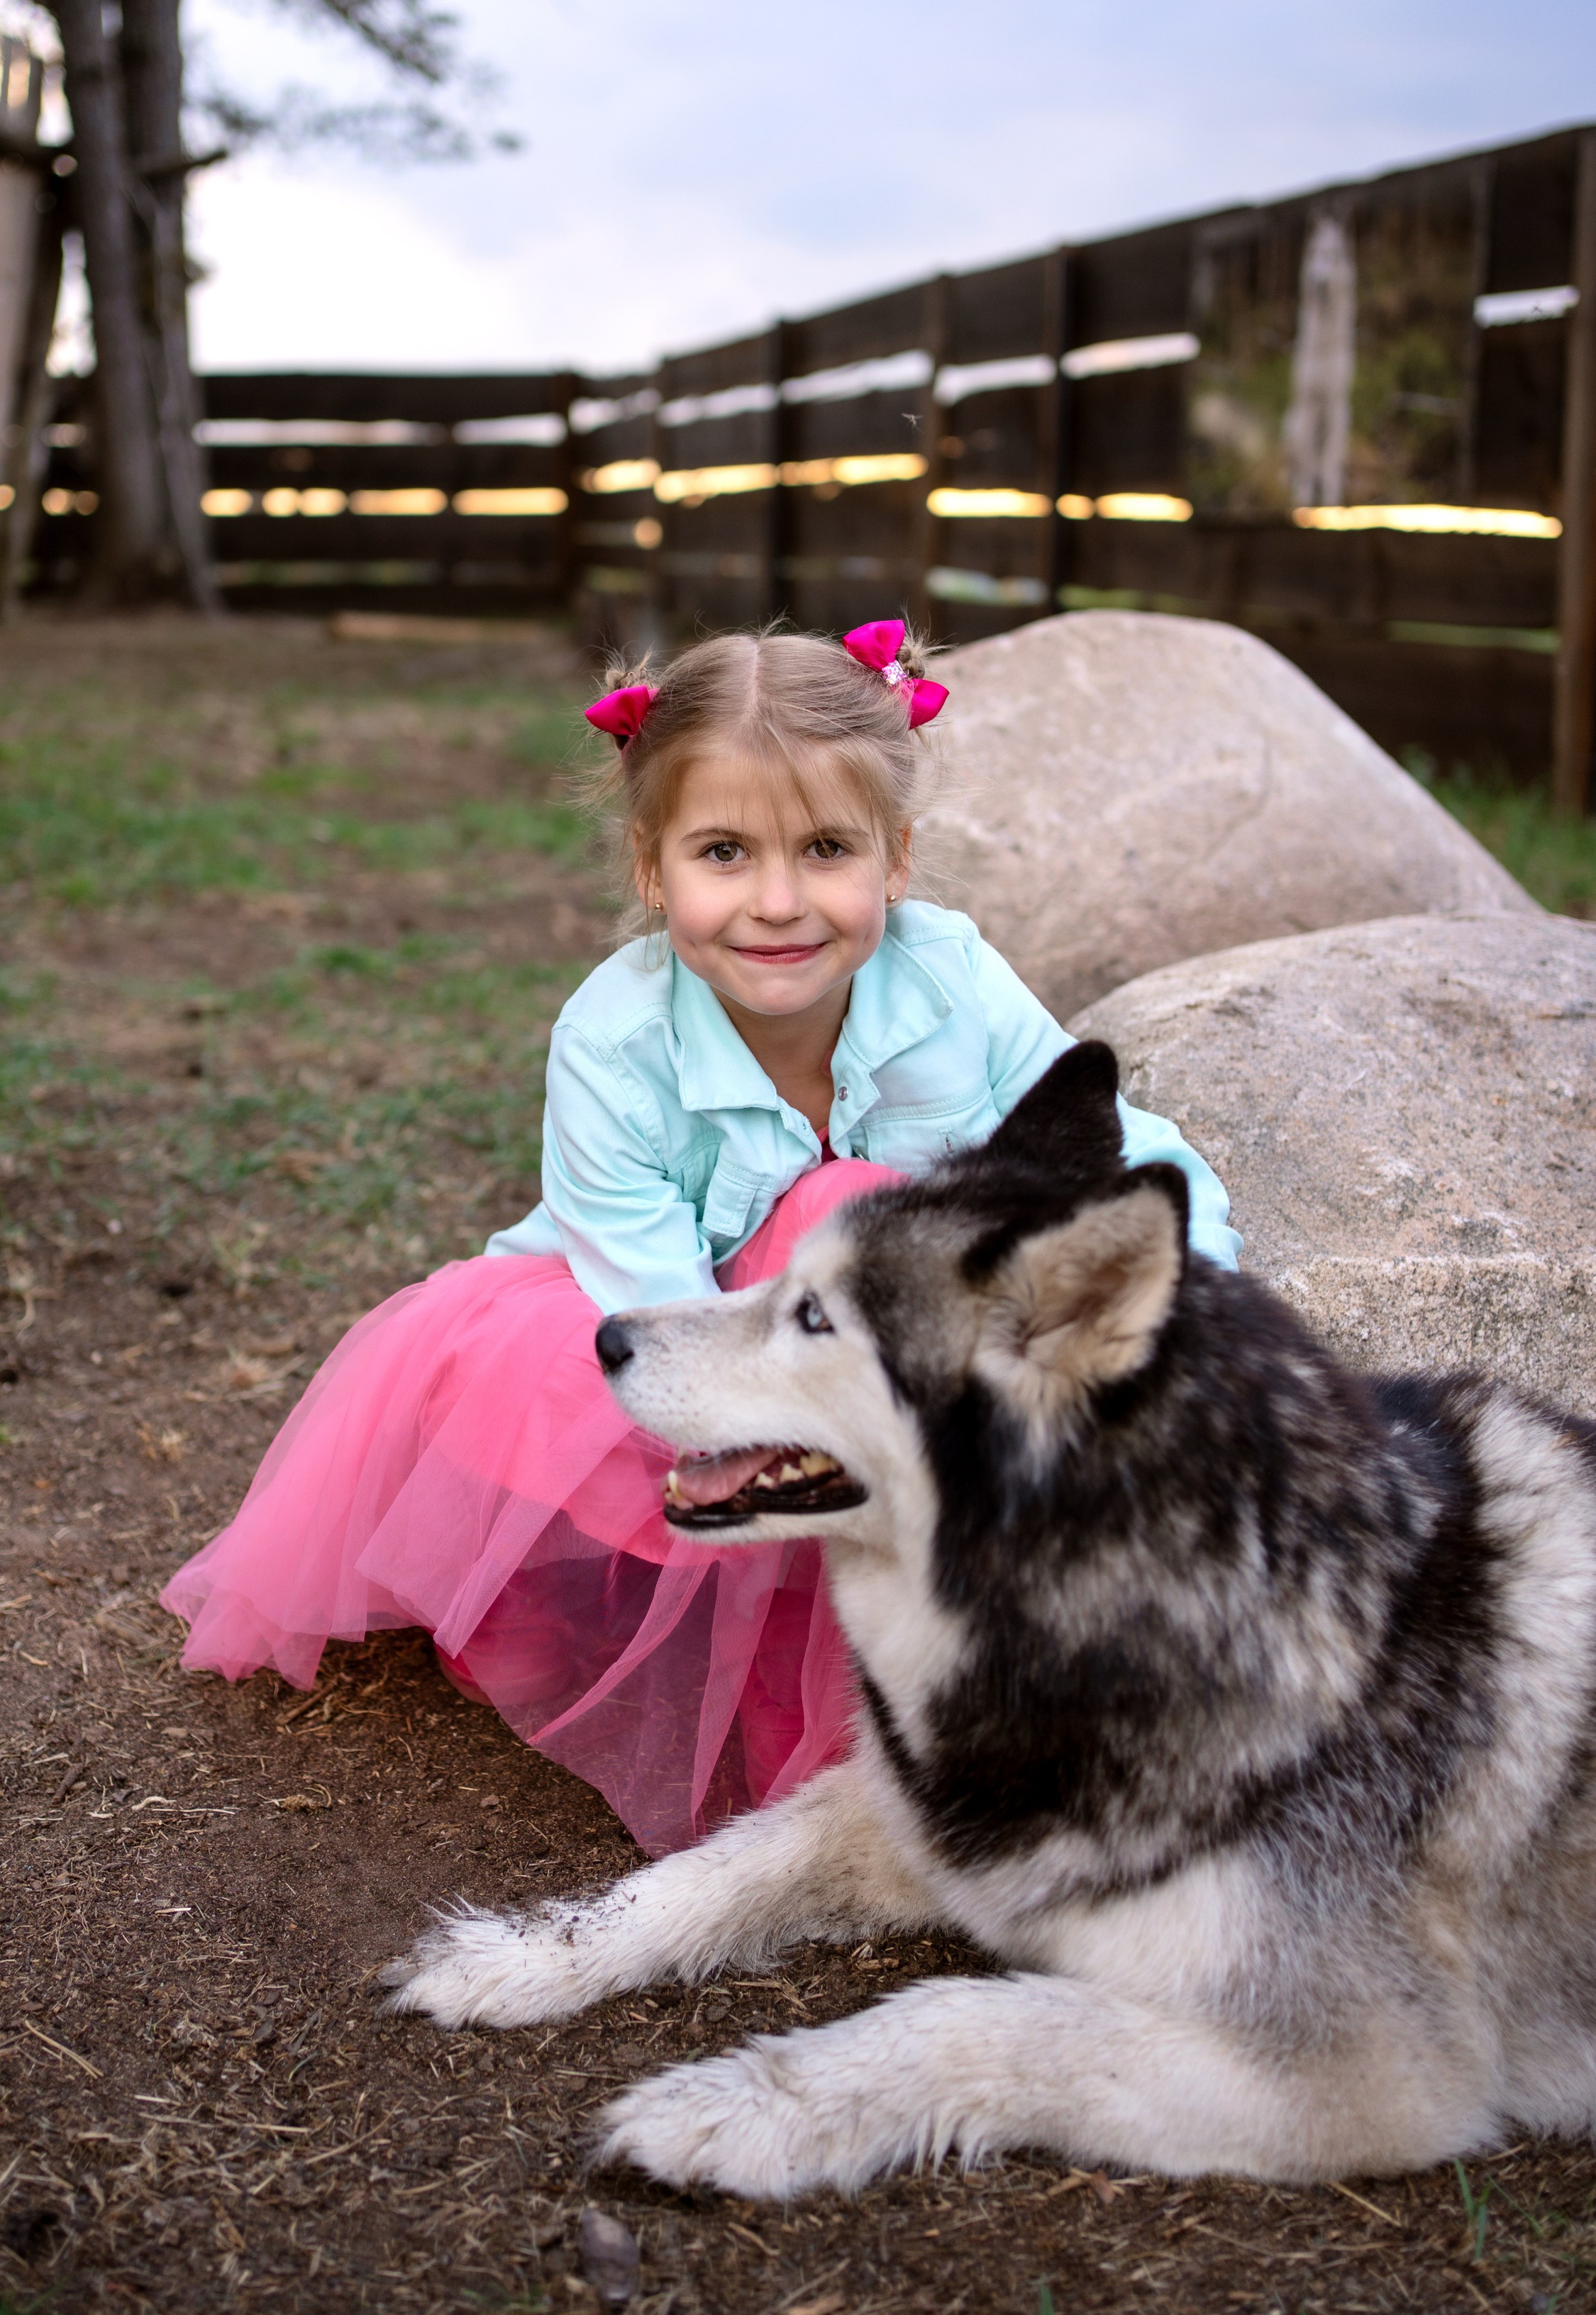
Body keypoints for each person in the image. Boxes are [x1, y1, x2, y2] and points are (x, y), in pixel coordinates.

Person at [162, 621, 1238, 1856]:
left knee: (860, 1226)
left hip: (838, 1352)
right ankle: (578, 1596)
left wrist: (1174, 1293)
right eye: (723, 853)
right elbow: (664, 1326)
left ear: (895, 858)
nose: (777, 904)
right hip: (655, 1340)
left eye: (827, 850)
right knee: (763, 1269)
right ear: (651, 866)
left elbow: (1109, 1145)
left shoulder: (952, 981)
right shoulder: (615, 1042)